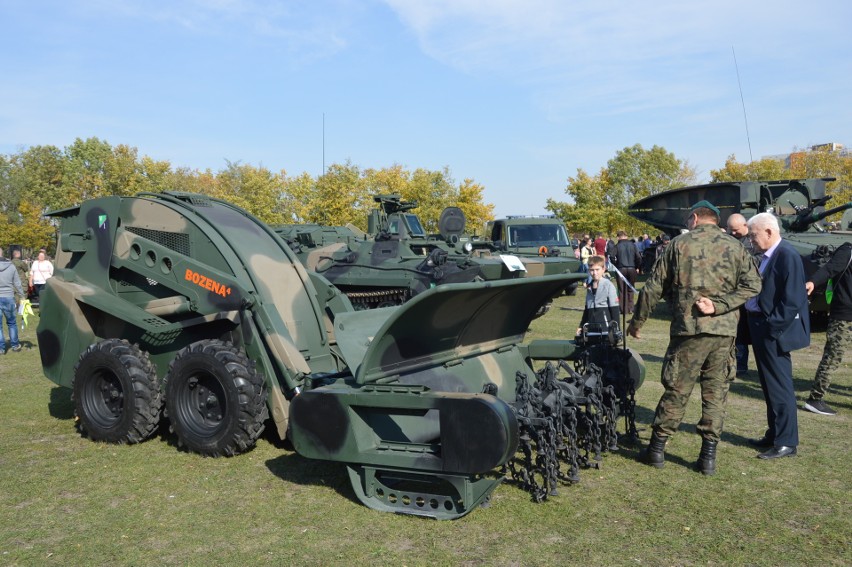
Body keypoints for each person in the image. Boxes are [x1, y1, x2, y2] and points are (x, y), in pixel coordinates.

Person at [628, 201, 761, 475]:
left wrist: (637, 323)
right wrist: (722, 305)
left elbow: (653, 287)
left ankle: (656, 450)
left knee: (677, 389)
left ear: (695, 218)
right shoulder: (736, 246)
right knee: (716, 393)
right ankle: (707, 458)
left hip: (689, 331)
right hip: (723, 333)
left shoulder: (679, 245)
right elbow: (753, 284)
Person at [745, 212, 810, 459]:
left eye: (754, 235)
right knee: (769, 385)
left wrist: (772, 328)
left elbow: (793, 300)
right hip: (761, 328)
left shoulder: (787, 255)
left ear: (769, 232)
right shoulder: (769, 256)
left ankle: (786, 442)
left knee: (780, 387)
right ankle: (774, 434)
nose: (751, 240)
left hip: (772, 331)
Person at [802, 242, 852, 416]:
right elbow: (830, 269)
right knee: (832, 357)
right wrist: (813, 282)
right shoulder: (848, 250)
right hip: (845, 316)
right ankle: (815, 399)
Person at [726, 213, 756, 376]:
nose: (734, 233)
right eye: (731, 230)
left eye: (736, 230)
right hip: (733, 293)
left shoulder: (753, 241)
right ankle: (739, 364)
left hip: (749, 294)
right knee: (737, 333)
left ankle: (743, 364)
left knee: (745, 333)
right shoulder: (730, 240)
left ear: (745, 226)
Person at [576, 255, 620, 337]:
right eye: (592, 270)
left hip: (605, 330)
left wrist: (616, 330)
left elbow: (615, 310)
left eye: (597, 270)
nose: (594, 273)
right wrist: (581, 326)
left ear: (603, 269)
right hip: (591, 329)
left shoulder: (608, 286)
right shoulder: (589, 287)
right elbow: (586, 310)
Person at [0, 247, 26, 354]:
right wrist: (22, 295)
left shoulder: (11, 266)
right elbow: (17, 283)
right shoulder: (11, 266)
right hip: (9, 297)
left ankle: (1, 348)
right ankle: (15, 345)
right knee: (11, 323)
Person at [613, 231, 639, 314]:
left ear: (619, 237)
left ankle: (623, 309)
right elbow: (638, 257)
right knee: (631, 288)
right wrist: (637, 266)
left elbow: (612, 257)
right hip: (632, 268)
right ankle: (631, 308)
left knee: (621, 290)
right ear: (626, 236)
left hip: (621, 269)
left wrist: (616, 265)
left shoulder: (617, 246)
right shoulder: (633, 245)